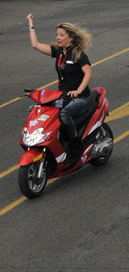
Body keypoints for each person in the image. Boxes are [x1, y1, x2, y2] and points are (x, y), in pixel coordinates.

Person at [25, 13, 93, 163]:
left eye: (61, 35)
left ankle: (75, 145)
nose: (58, 37)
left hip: (80, 98)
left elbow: (88, 73)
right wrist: (31, 25)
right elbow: (35, 45)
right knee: (34, 109)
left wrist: (78, 91)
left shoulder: (78, 54)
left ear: (71, 38)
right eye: (57, 35)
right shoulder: (58, 52)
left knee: (64, 115)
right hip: (63, 97)